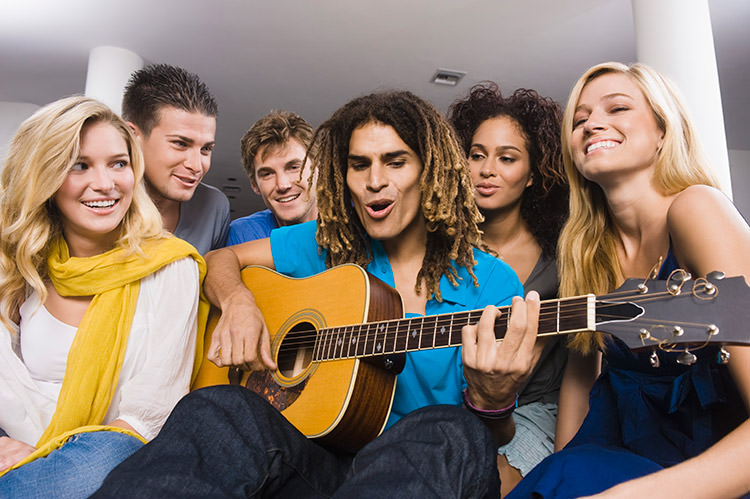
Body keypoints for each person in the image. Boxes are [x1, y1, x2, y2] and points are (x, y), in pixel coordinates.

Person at [94, 90, 542, 497]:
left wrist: (491, 398)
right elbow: (220, 261)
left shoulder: (495, 283)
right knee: (220, 406)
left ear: (431, 171)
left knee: (448, 429)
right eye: (359, 164)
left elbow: (495, 435)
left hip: (420, 472)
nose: (374, 181)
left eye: (396, 161)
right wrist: (238, 302)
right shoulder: (326, 242)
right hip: (317, 461)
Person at [508, 62, 750, 498]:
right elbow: (581, 379)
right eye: (579, 119)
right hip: (611, 459)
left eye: (617, 108)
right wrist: (562, 475)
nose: (592, 124)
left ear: (663, 131)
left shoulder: (698, 209)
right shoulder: (585, 251)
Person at [0, 96, 208, 498]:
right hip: (17, 443)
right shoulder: (22, 265)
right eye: (80, 165)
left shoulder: (170, 266)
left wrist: (48, 463)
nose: (106, 183)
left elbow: (149, 414)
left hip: (109, 458)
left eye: (118, 163)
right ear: (45, 176)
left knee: (109, 450)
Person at [448, 82, 569, 495]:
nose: (487, 169)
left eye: (507, 158)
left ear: (533, 174)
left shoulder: (561, 258)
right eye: (477, 155)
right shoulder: (438, 246)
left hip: (532, 410)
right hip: (452, 404)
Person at [122, 63, 230, 254]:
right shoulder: (102, 201)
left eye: (206, 149)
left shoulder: (214, 206)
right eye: (181, 144)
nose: (196, 166)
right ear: (132, 136)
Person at [227, 110, 317, 244]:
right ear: (254, 185)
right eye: (267, 174)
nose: (282, 185)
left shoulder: (355, 223)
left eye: (293, 168)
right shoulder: (243, 234)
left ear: (319, 168)